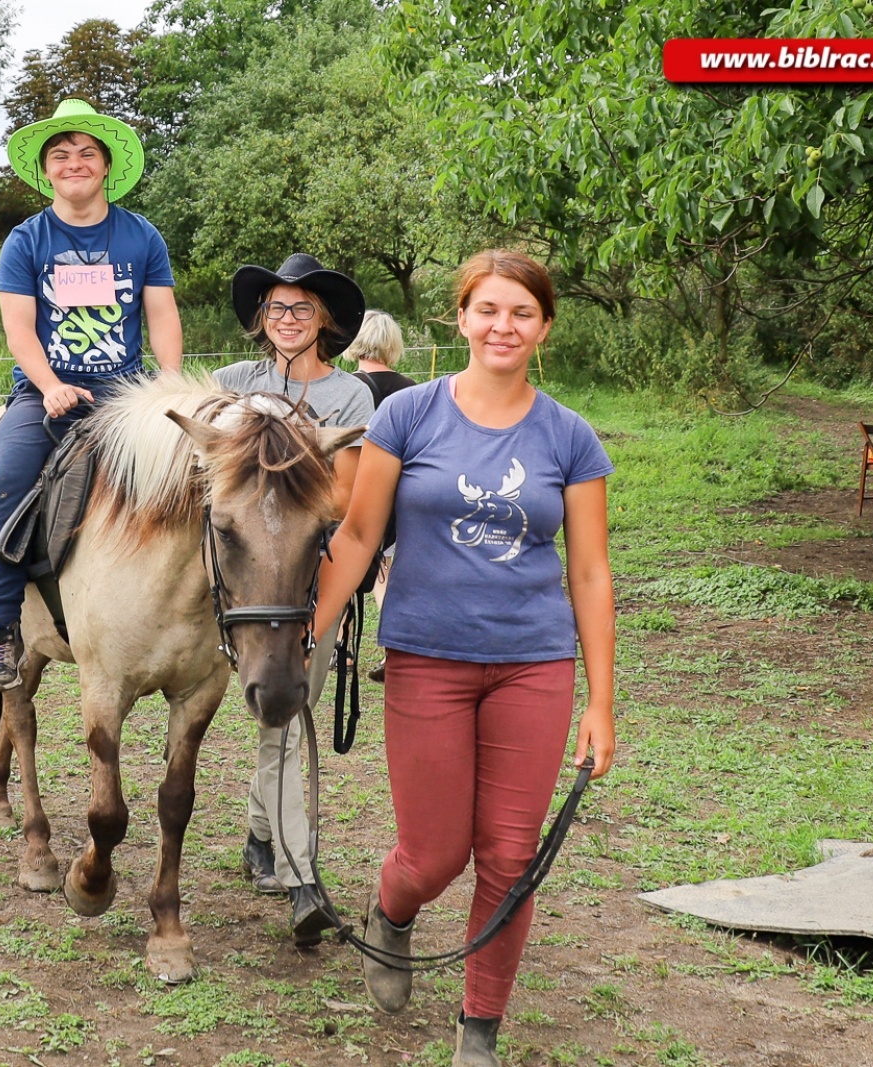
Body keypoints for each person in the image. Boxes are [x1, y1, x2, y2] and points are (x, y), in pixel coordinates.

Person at [310, 251, 616, 1066]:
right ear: (461, 317)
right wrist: (309, 634)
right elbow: (359, 535)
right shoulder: (407, 415)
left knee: (511, 857)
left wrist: (601, 702)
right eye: (487, 309)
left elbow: (589, 571)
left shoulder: (569, 437)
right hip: (427, 656)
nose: (503, 325)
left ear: (544, 326)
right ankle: (392, 908)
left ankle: (479, 1024)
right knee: (435, 852)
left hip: (533, 663)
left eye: (521, 312)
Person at [0, 100, 183, 692]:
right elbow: (18, 328)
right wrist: (49, 386)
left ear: (106, 166)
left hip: (125, 393)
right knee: (10, 478)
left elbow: (161, 313)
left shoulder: (141, 235)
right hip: (45, 394)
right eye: (61, 155)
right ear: (46, 172)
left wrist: (168, 379)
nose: (75, 163)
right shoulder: (26, 240)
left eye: (87, 153)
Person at [213, 253, 374, 945]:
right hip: (248, 580)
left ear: (325, 321)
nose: (285, 320)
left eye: (301, 309)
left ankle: (276, 850)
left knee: (286, 716)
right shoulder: (229, 385)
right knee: (278, 719)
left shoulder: (351, 400)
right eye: (275, 309)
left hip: (312, 574)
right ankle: (288, 863)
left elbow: (342, 496)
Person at [342, 310, 418, 682]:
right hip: (397, 496)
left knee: (340, 566)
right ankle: (394, 651)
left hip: (352, 493)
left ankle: (343, 649)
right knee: (386, 576)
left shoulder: (344, 386)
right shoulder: (412, 390)